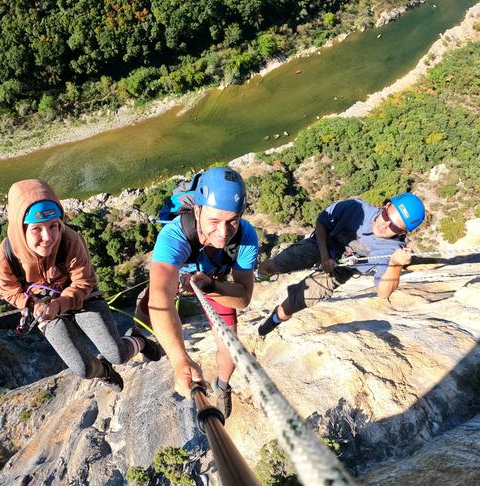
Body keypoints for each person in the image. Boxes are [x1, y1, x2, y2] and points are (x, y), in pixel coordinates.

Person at [0, 179, 161, 391]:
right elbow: (10, 291)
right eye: (37, 229)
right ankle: (104, 371)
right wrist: (32, 304)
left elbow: (83, 282)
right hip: (42, 308)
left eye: (54, 226)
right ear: (20, 229)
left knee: (117, 354)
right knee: (83, 368)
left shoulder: (69, 240)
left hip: (82, 298)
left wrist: (58, 305)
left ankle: (139, 341)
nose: (48, 237)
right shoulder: (4, 258)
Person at [136, 167, 259, 417]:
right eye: (214, 221)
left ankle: (222, 386)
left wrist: (211, 287)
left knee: (230, 347)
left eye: (232, 221)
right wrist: (180, 358)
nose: (223, 233)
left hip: (214, 283)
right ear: (197, 210)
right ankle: (145, 340)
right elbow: (161, 299)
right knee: (146, 310)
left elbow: (243, 298)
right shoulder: (175, 235)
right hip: (178, 277)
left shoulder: (245, 237)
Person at [257, 193, 425, 337]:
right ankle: (258, 275)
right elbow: (322, 222)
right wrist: (324, 255)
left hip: (343, 269)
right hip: (321, 245)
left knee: (293, 304)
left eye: (394, 227)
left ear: (403, 232)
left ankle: (272, 321)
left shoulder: (392, 250)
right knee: (274, 265)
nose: (384, 225)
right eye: (387, 216)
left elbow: (383, 292)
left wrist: (395, 265)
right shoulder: (356, 208)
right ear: (386, 206)